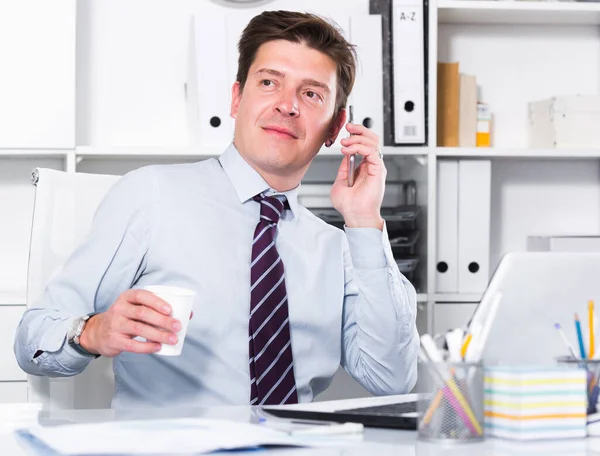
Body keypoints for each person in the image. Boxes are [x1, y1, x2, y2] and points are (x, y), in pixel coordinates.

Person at [14, 10, 418, 408]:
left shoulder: (339, 247)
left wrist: (365, 220)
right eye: (268, 82)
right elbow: (32, 335)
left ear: (335, 127)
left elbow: (392, 380)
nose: (287, 105)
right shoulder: (150, 196)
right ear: (237, 98)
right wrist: (91, 332)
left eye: (311, 94)